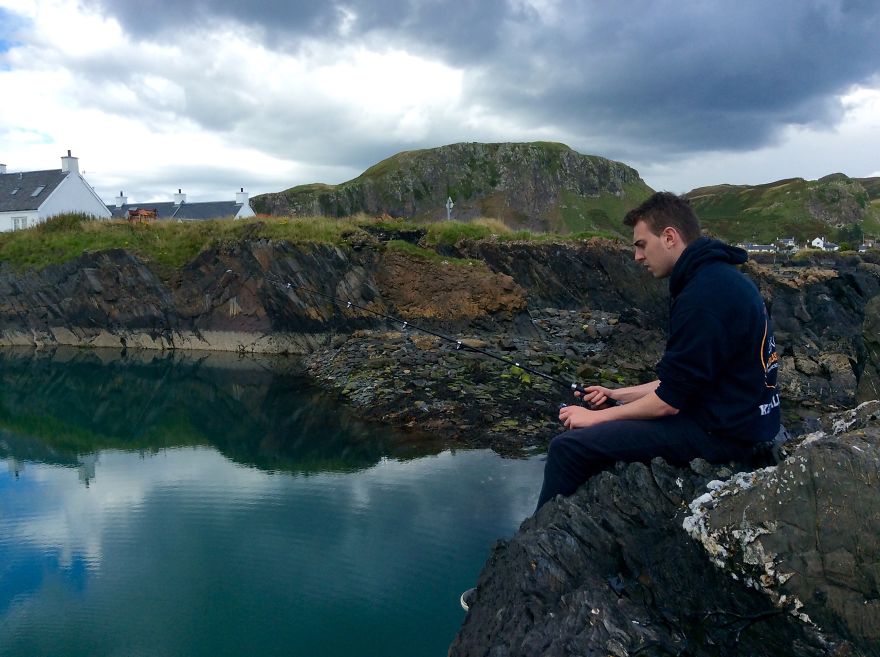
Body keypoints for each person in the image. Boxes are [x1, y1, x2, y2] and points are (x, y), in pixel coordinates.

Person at [535, 191, 781, 510]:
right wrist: (618, 394)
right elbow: (686, 381)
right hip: (742, 420)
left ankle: (542, 551)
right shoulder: (722, 279)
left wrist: (597, 419)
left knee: (566, 449)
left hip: (724, 435)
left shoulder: (703, 297)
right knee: (602, 411)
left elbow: (668, 403)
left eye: (641, 244)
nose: (637, 257)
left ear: (669, 237)